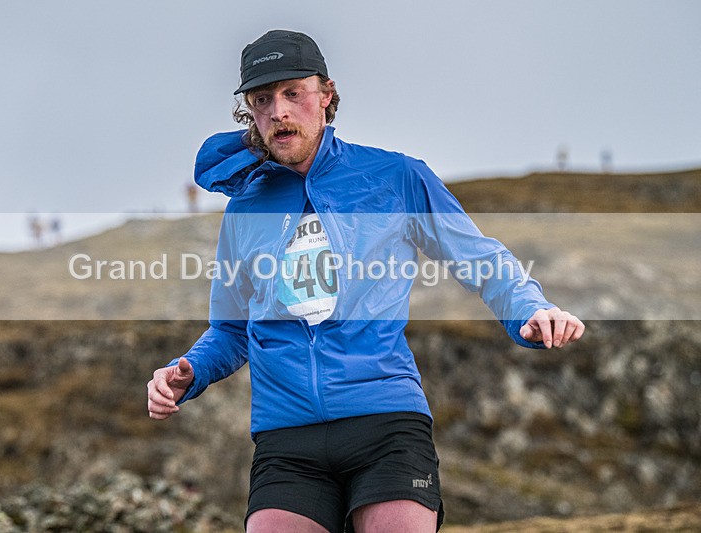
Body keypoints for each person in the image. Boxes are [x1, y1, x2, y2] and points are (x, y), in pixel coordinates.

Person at [147, 30, 584, 533]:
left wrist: (529, 309)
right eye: (262, 100)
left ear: (326, 95)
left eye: (293, 93)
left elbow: (480, 258)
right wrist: (187, 373)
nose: (279, 111)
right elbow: (231, 328)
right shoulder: (245, 208)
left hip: (386, 423)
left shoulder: (396, 177)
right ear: (250, 111)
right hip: (286, 438)